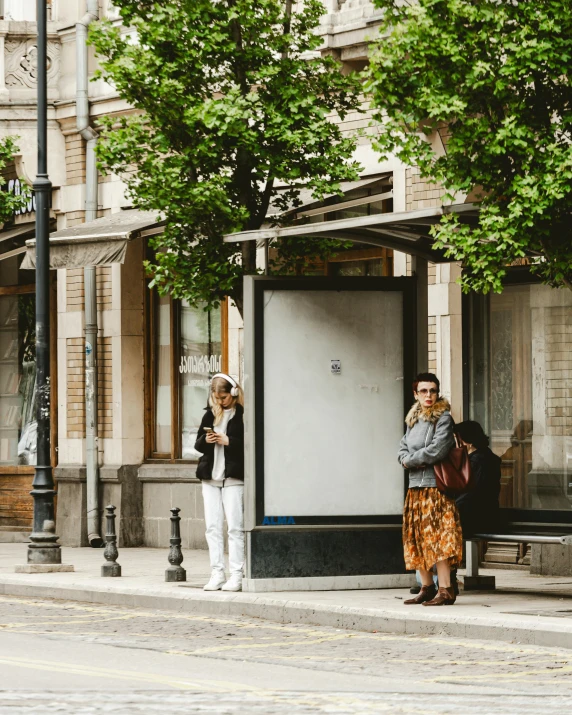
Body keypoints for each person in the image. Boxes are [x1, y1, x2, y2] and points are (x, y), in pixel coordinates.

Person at [398, 372, 463, 606]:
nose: (429, 395)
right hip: (415, 488)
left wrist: (410, 461)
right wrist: (410, 459)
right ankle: (427, 586)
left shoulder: (443, 418)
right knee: (416, 538)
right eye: (424, 391)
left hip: (436, 488)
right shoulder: (412, 420)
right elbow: (402, 449)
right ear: (415, 394)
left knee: (438, 538)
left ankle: (446, 589)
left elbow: (438, 450)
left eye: (433, 390)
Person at [194, 373, 245, 592]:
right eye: (217, 397)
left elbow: (250, 446)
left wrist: (228, 441)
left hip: (233, 478)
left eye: (223, 397)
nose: (220, 401)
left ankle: (237, 574)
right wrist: (207, 440)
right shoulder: (209, 415)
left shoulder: (243, 415)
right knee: (212, 528)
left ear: (233, 393)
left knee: (235, 528)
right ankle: (217, 573)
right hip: (210, 478)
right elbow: (197, 445)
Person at [454, 421, 502, 538]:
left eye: (457, 439)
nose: (456, 444)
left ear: (468, 442)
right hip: (484, 515)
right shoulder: (485, 457)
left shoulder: (478, 462)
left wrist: (451, 510)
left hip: (475, 517)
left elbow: (471, 494)